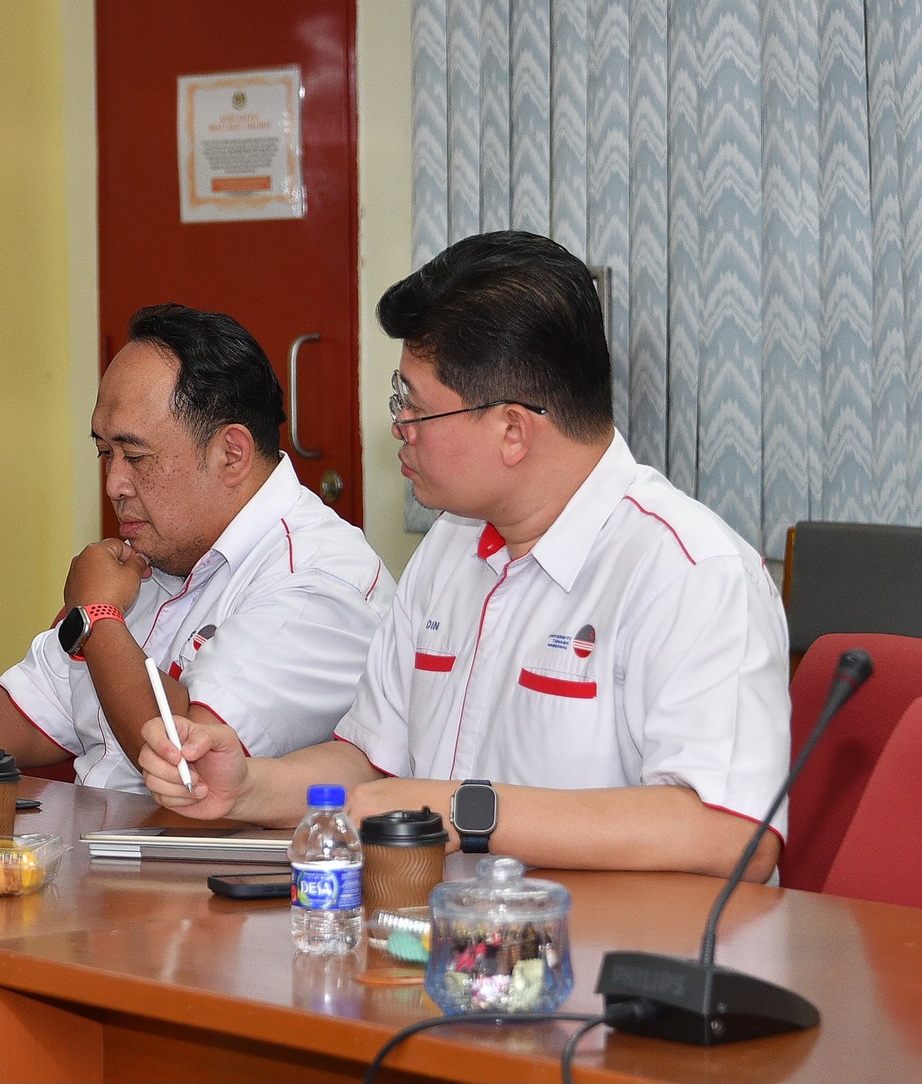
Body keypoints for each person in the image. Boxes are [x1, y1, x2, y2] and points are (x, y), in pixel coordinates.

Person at [139, 231, 793, 880]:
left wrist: (467, 809)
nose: (398, 426)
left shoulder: (690, 571)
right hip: (439, 928)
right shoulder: (450, 546)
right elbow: (374, 767)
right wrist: (248, 786)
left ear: (513, 429)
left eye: (415, 407)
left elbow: (734, 833)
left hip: (595, 942)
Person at [0, 304, 394, 793]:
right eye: (106, 453)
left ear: (231, 454)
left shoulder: (317, 582)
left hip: (197, 843)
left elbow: (194, 771)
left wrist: (97, 617)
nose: (114, 485)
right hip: (100, 833)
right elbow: (28, 711)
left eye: (137, 457)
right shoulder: (156, 554)